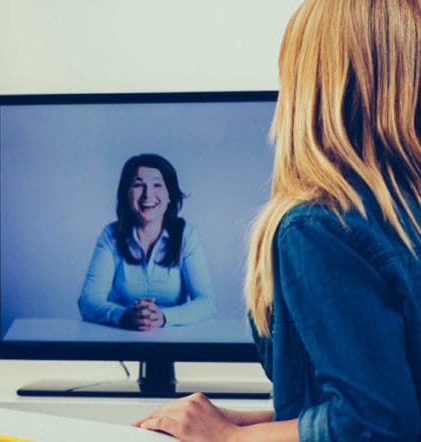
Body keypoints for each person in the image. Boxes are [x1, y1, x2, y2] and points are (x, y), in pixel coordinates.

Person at [135, 0, 421, 440]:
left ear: (310, 82)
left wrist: (227, 438)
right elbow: (393, 397)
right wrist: (239, 422)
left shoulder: (319, 226)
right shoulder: (404, 213)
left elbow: (375, 425)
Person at [78, 153, 216, 330]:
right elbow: (88, 301)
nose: (148, 194)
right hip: (121, 336)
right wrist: (124, 316)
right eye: (138, 185)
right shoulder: (111, 235)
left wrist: (163, 317)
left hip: (172, 338)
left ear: (170, 195)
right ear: (126, 194)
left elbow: (207, 303)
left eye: (157, 185)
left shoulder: (187, 236)